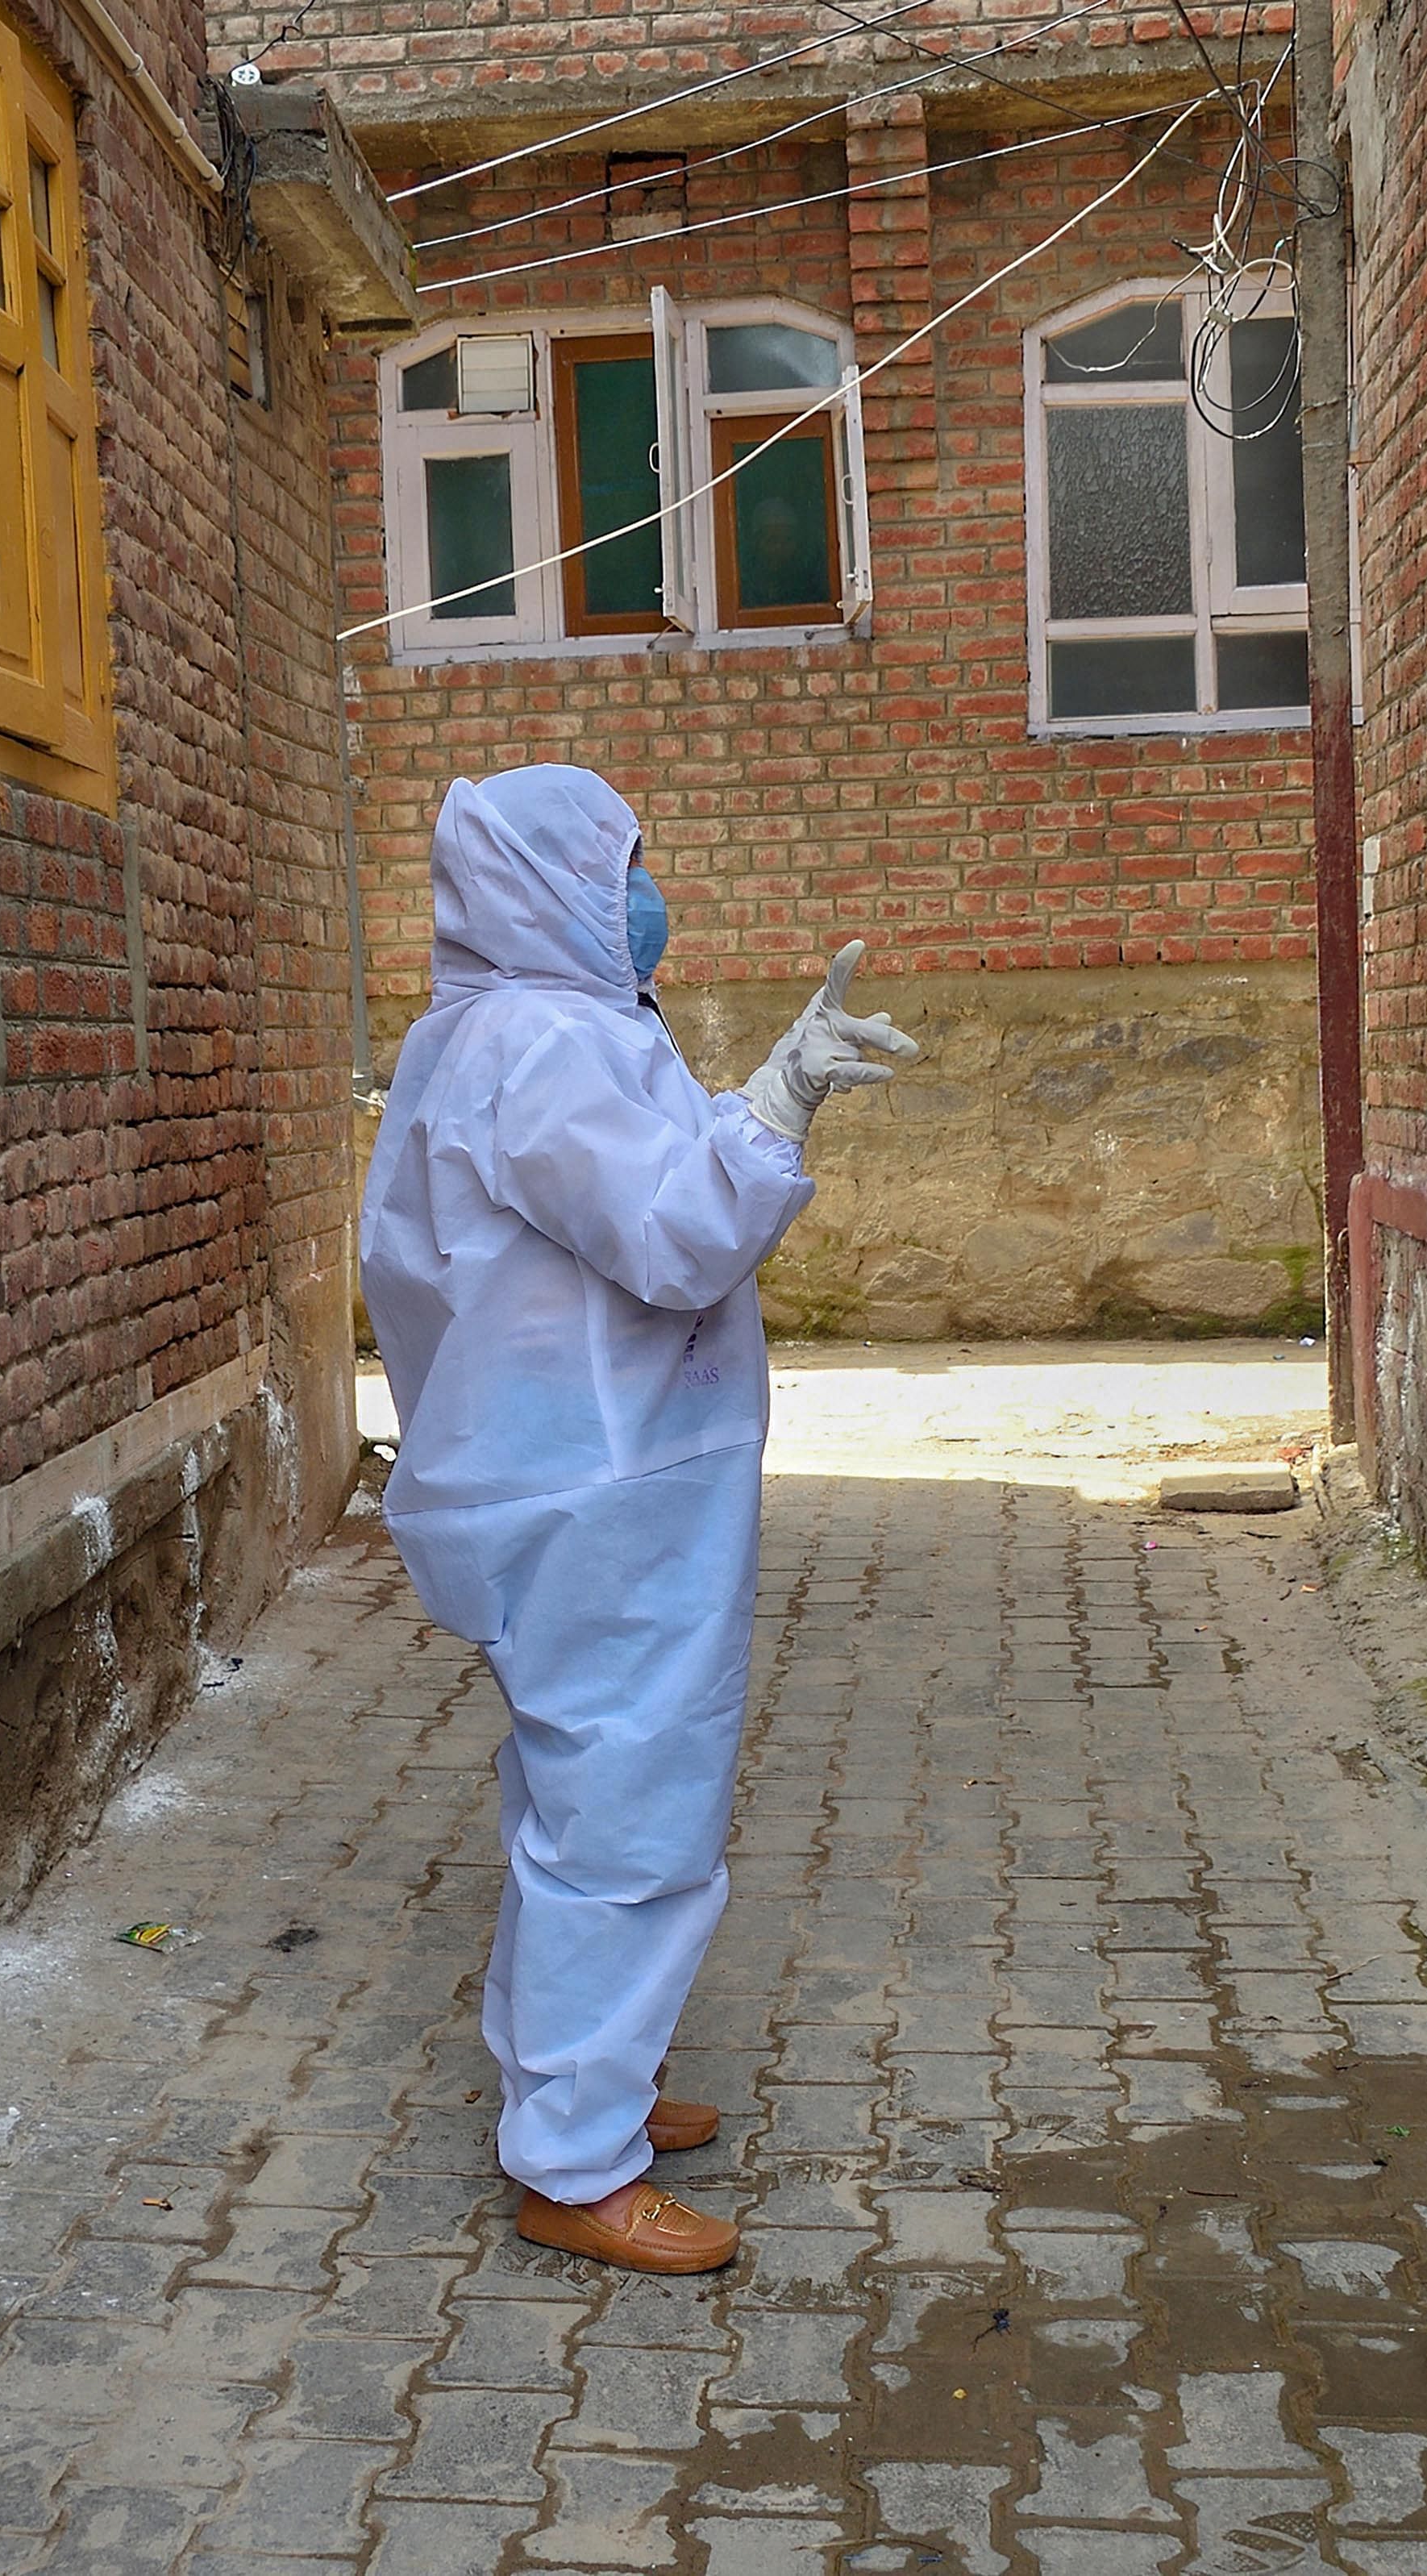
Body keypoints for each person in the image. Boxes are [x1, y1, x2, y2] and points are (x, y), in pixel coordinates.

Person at [359, 763, 917, 2273]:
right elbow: (679, 1233)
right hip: (604, 1486)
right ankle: (574, 2163)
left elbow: (641, 1189)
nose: (643, 894)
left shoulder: (509, 1031)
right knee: (631, 1809)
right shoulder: (543, 1041)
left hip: (573, 1470)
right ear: (551, 886)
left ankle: (588, 2079)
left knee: (580, 1790)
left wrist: (750, 1098)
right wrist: (786, 1099)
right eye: (625, 866)